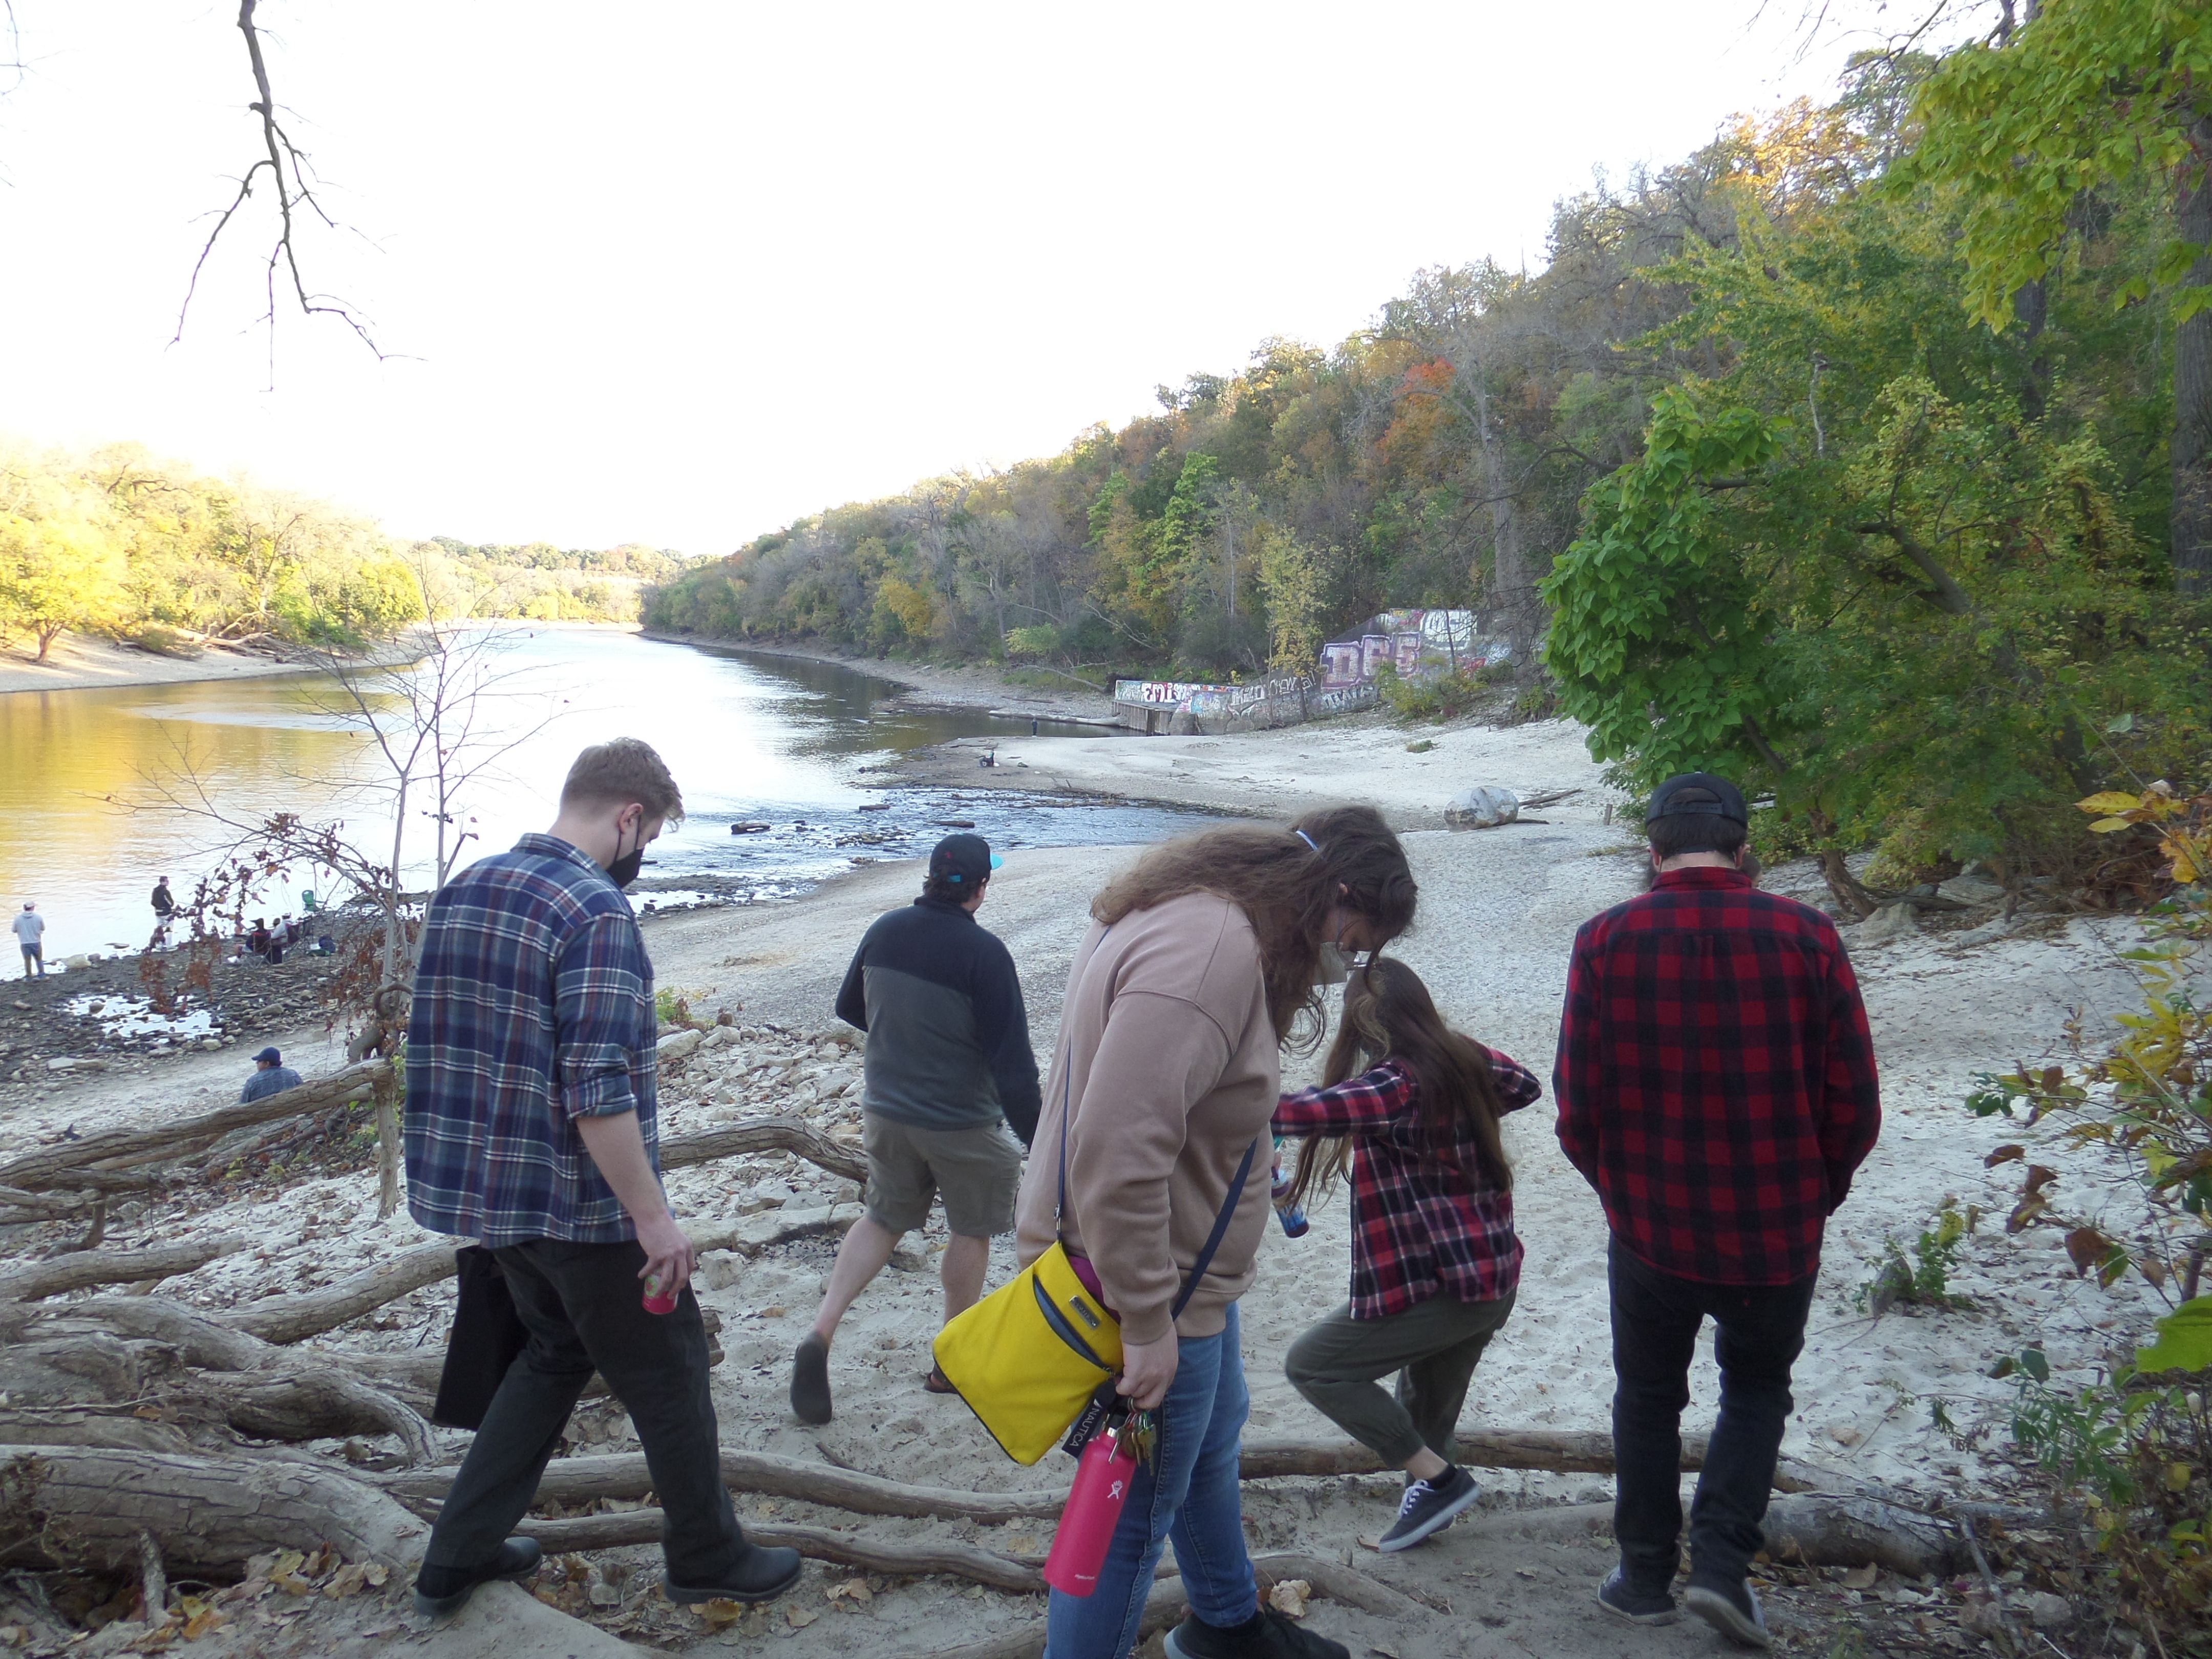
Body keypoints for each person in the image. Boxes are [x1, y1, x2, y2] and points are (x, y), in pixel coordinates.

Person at [403, 737, 801, 1618]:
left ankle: (456, 1555)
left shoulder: (467, 886)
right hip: (577, 1207)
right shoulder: (592, 912)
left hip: (489, 1198)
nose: (644, 856)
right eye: (649, 837)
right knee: (671, 1370)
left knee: (554, 1354)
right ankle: (706, 1553)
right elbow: (597, 1090)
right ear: (629, 818)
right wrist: (655, 1222)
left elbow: (444, 1049)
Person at [1015, 806, 1417, 1659]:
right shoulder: (1210, 952)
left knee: (1212, 1433)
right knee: (1129, 1518)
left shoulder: (1190, 912)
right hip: (1153, 1282)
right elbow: (1118, 1149)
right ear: (1335, 894)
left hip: (1185, 1273)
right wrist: (1148, 1322)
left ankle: (1227, 1625)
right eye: (1356, 942)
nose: (1349, 962)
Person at [1554, 772, 1881, 1648]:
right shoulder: (1810, 936)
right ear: (1745, 851)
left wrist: (1622, 1193)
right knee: (1758, 1389)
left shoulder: (1605, 940)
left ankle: (1647, 1579)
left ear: (1652, 852)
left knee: (1649, 1398)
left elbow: (1578, 1105)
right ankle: (1727, 1570)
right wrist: (1816, 1195)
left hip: (1652, 1228)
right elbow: (1855, 1104)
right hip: (1776, 1230)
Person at [1273, 957, 1540, 1552]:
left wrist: (1224, 1093)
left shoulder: (1399, 1084)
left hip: (1447, 1287)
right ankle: (1427, 1508)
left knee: (1315, 1365)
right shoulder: (1461, 1061)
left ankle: (1441, 1483)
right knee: (1425, 1410)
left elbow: (1303, 1113)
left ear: (1364, 1026)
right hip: (1490, 1274)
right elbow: (1524, 1083)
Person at [792, 833, 1040, 1424]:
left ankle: (821, 1330)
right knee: (972, 1229)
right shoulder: (986, 956)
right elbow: (1014, 1070)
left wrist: (907, 1032)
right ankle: (948, 1361)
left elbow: (850, 1008)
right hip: (960, 1122)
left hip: (886, 1112)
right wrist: (1042, 1139)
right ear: (980, 890)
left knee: (882, 1217)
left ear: (930, 879)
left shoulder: (885, 930)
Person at [239, 1046, 304, 1103]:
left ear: (267, 1063)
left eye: (259, 1061)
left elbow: (242, 1105)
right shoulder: (292, 1075)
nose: (257, 1063)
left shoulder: (253, 1081)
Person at [12, 902, 46, 979]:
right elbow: (43, 928)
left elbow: (14, 930)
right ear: (33, 908)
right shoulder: (38, 917)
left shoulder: (18, 918)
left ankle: (29, 975)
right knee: (39, 959)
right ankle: (41, 974)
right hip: (36, 942)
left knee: (27, 961)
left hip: (24, 943)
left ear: (24, 908)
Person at [150, 877, 177, 951]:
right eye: (167, 881)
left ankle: (159, 945)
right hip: (166, 913)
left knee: (160, 929)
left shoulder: (155, 891)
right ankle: (169, 945)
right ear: (162, 882)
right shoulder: (165, 892)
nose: (168, 882)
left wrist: (158, 907)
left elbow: (152, 903)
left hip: (158, 913)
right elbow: (171, 903)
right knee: (169, 928)